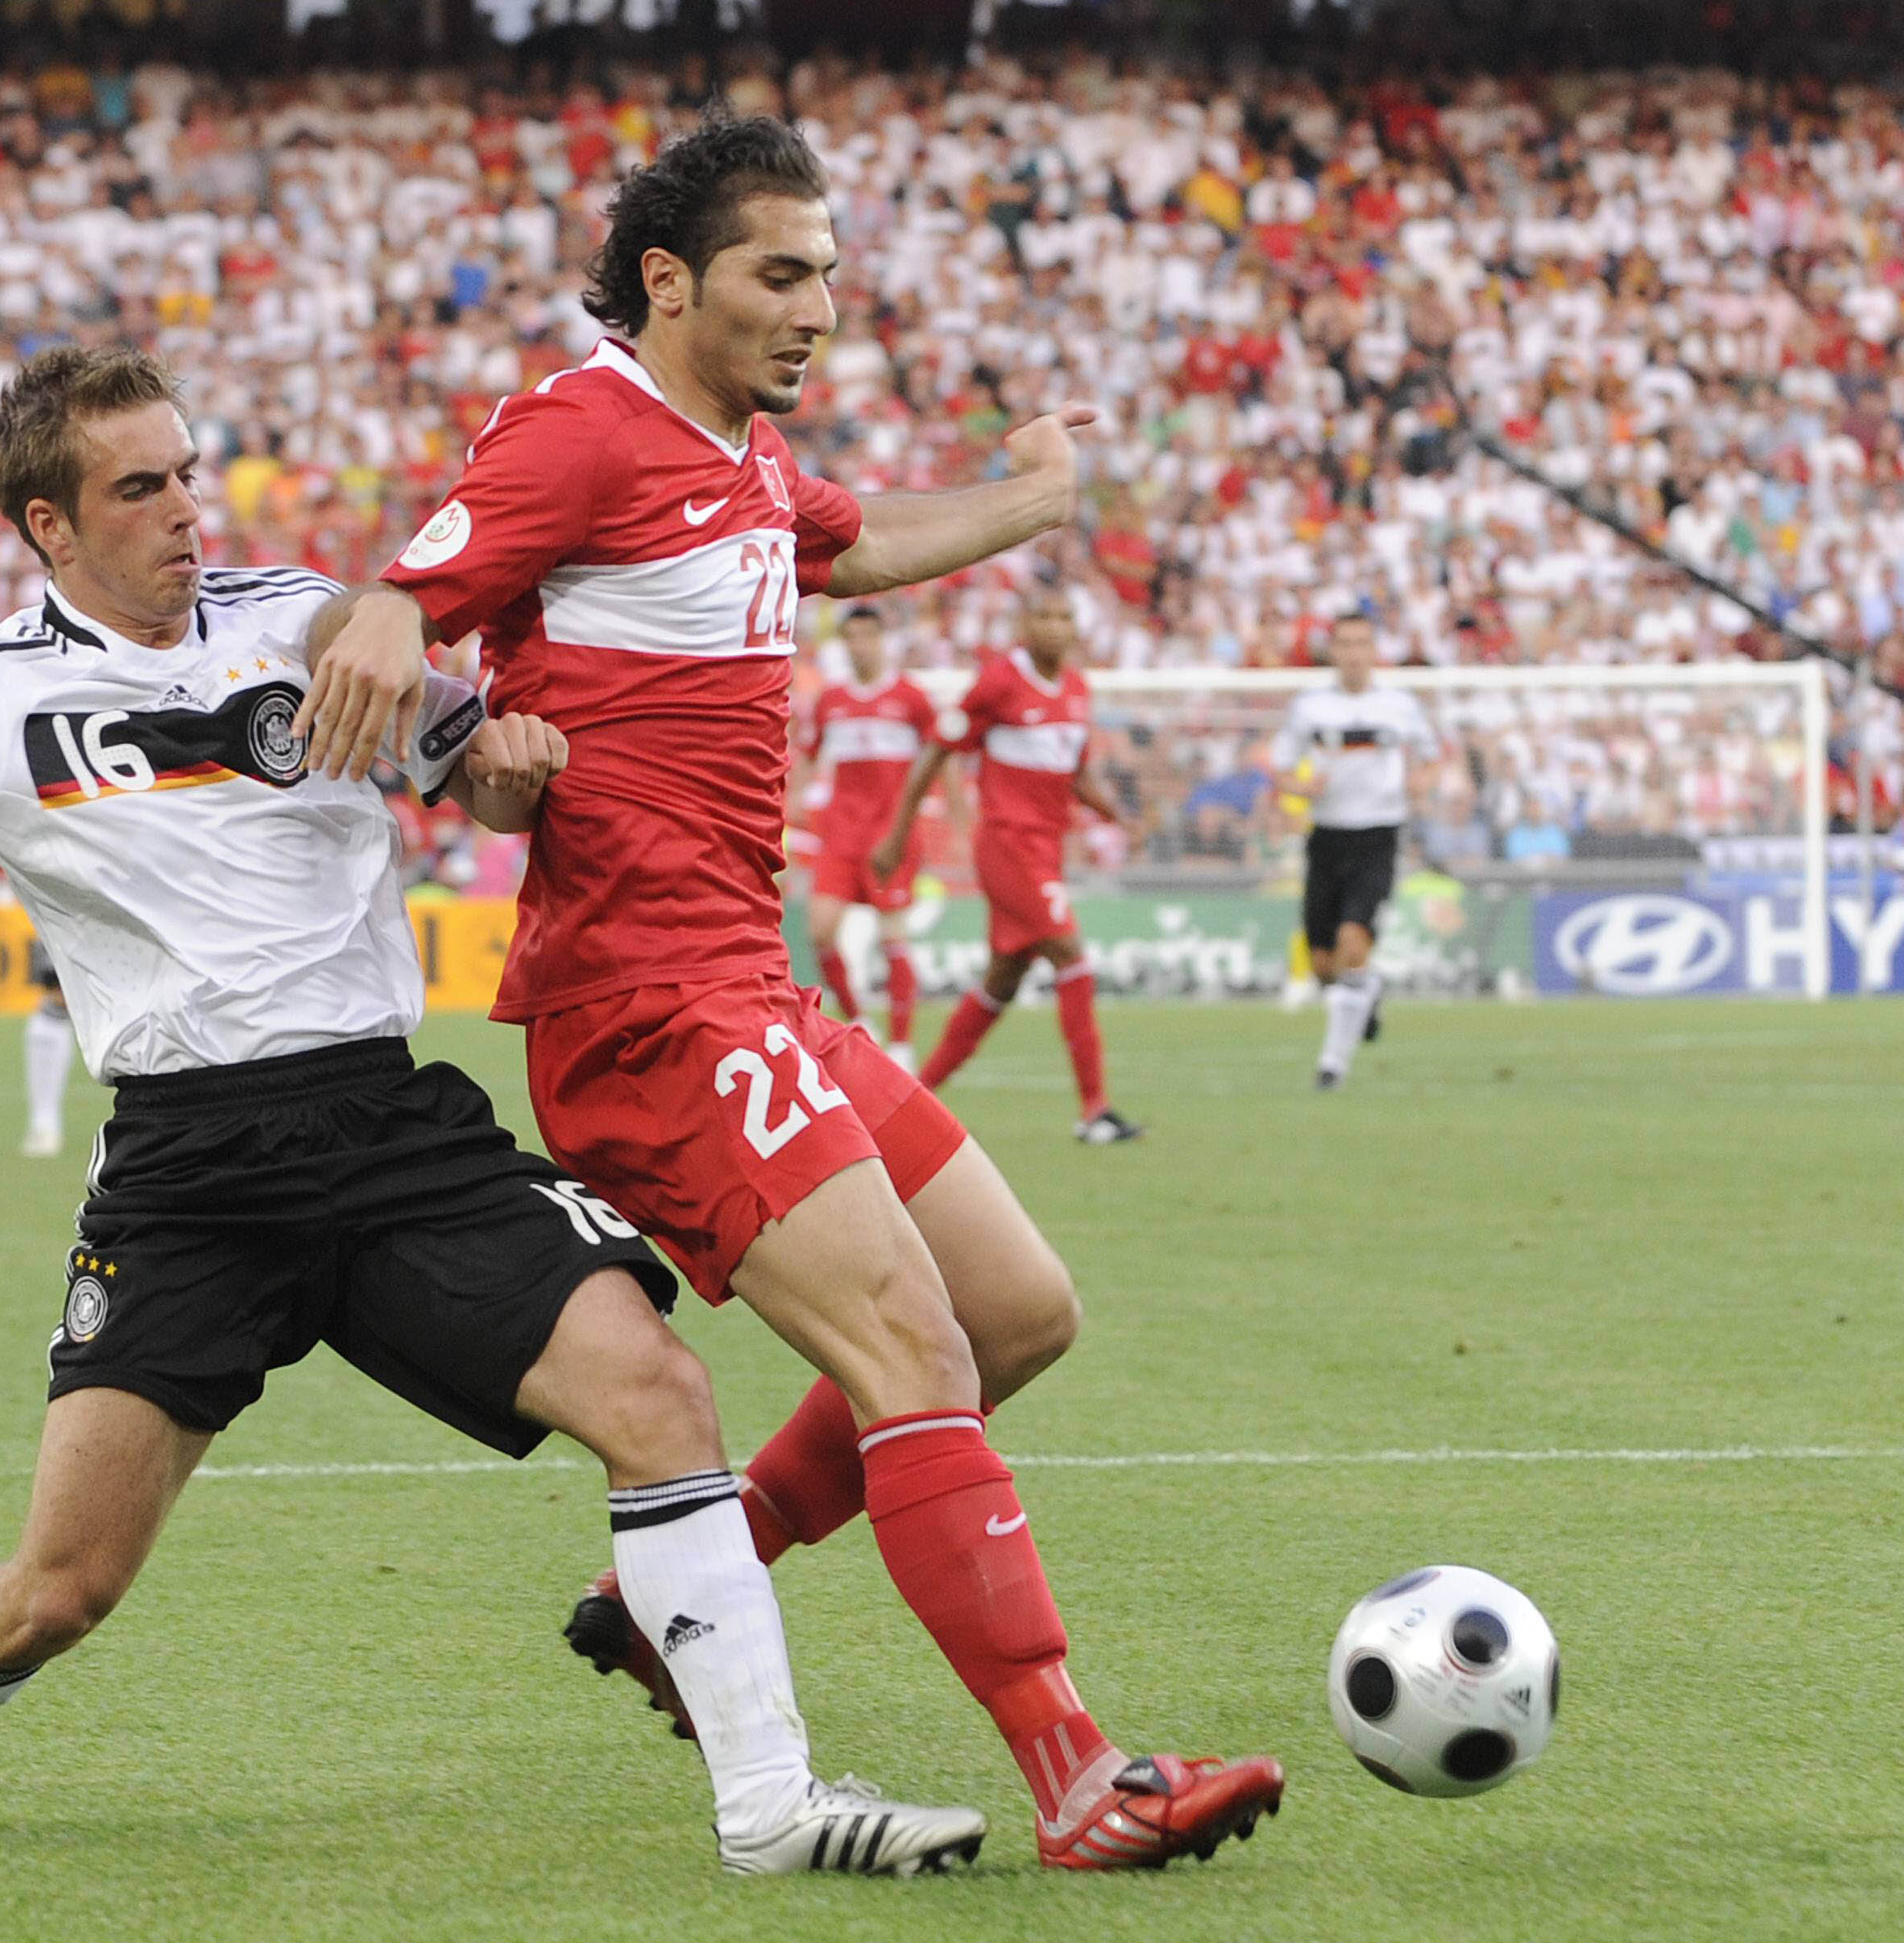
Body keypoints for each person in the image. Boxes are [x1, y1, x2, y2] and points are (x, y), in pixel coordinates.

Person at [0, 345, 984, 1877]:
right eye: (137, 487)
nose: (183, 511)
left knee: (659, 1392)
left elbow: (475, 767)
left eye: (188, 471)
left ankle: (772, 1809)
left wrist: (510, 760)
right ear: (49, 529)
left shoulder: (305, 624)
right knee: (59, 1586)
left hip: (384, 1127)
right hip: (187, 1169)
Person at [307, 117, 1284, 1871]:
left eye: (829, 272)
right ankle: (1079, 1775)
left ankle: (673, 1585)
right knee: (913, 1347)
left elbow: (870, 540)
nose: (819, 306)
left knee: (1015, 1316)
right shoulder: (582, 424)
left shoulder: (744, 459)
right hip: (646, 1002)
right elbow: (402, 601)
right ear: (669, 280)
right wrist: (397, 634)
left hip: (754, 982)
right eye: (781, 273)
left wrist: (1039, 497)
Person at [883, 590, 1139, 1140]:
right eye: (1044, 615)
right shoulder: (999, 682)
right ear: (1026, 623)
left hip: (1046, 848)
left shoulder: (1076, 690)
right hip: (1006, 846)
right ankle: (1095, 1110)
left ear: (1076, 627)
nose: (1054, 625)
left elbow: (1075, 774)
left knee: (1002, 981)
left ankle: (910, 1102)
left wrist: (1120, 816)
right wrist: (898, 832)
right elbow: (937, 749)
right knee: (1072, 958)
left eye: (1065, 615)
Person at [1265, 610, 1435, 1088]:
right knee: (1325, 966)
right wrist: (1299, 788)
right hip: (1327, 837)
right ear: (1333, 650)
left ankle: (1331, 1066)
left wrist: (1423, 778)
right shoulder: (1310, 707)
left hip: (1378, 835)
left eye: (1363, 643)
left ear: (1374, 650)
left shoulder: (1399, 705)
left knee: (1352, 944)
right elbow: (1280, 768)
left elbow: (1433, 756)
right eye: (1346, 644)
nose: (1355, 653)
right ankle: (1370, 991)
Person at [798, 605, 938, 1046]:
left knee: (892, 933)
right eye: (851, 637)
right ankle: (862, 1021)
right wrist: (797, 798)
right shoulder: (831, 701)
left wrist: (947, 813)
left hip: (890, 834)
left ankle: (902, 1046)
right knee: (819, 930)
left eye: (867, 636)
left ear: (882, 640)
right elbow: (808, 753)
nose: (860, 645)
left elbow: (939, 754)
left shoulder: (911, 698)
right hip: (840, 832)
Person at [22, 939, 80, 1157]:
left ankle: (48, 1130)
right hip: (48, 1020)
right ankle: (42, 1128)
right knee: (39, 1083)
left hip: (59, 1023)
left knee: (49, 1082)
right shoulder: (45, 941)